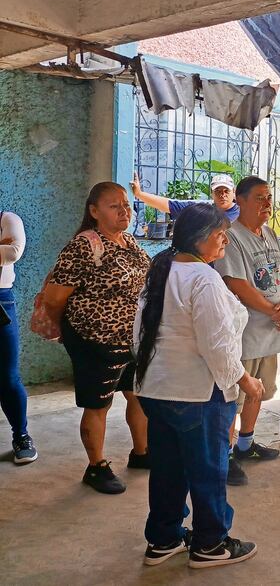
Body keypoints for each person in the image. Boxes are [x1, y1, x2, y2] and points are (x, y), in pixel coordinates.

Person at [134, 203, 262, 568]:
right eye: (221, 234)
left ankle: (164, 538)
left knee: (168, 469)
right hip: (196, 395)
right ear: (201, 238)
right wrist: (246, 382)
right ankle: (210, 544)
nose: (225, 240)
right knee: (208, 470)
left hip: (157, 391)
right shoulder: (204, 279)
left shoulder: (163, 270)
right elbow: (217, 347)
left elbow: (138, 335)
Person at [42, 182, 151, 494]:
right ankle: (96, 466)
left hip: (132, 340)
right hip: (95, 341)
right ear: (94, 211)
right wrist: (74, 326)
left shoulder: (129, 242)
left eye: (126, 205)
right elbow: (54, 297)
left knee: (137, 395)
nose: (124, 210)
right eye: (114, 205)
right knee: (98, 406)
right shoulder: (84, 246)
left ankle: (142, 453)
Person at [213, 176, 280, 485]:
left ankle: (246, 444)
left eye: (268, 197)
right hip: (245, 333)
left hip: (272, 333)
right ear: (240, 201)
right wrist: (273, 310)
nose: (266, 203)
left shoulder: (270, 234)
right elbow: (236, 283)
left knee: (260, 389)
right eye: (259, 197)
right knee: (235, 396)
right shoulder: (231, 237)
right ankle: (226, 455)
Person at [0, 209, 37, 463]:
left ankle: (21, 436)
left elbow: (13, 253)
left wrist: (5, 250)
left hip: (1, 302)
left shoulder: (8, 219)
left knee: (8, 376)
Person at [131, 173, 240, 222]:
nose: (222, 195)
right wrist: (139, 194)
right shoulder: (201, 209)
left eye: (226, 191)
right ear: (211, 193)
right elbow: (168, 205)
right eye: (218, 191)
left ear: (234, 192)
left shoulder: (243, 212)